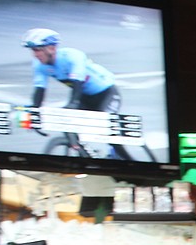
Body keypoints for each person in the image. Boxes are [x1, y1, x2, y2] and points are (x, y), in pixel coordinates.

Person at [21, 28, 132, 160]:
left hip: (106, 93)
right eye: (33, 50)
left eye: (38, 50)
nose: (35, 55)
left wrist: (72, 105)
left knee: (107, 131)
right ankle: (81, 152)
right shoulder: (39, 65)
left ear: (51, 48)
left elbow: (77, 83)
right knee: (65, 121)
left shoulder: (72, 56)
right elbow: (40, 89)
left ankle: (132, 164)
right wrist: (34, 112)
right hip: (85, 96)